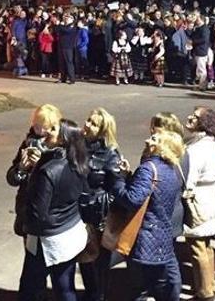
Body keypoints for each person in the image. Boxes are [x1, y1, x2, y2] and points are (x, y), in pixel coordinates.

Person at [110, 128, 186, 301]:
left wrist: (118, 182)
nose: (147, 141)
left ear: (162, 147)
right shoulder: (170, 169)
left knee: (139, 288)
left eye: (154, 139)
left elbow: (132, 199)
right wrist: (130, 176)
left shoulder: (148, 168)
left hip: (144, 238)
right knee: (161, 285)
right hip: (162, 236)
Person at [18, 120, 89, 301]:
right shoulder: (78, 161)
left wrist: (24, 223)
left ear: (63, 139)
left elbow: (37, 213)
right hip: (71, 233)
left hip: (48, 240)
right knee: (65, 286)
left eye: (54, 129)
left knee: (29, 287)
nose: (47, 132)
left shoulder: (48, 171)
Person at [80, 108, 124, 301]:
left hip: (98, 214)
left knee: (98, 260)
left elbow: (116, 186)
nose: (87, 124)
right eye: (88, 120)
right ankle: (91, 293)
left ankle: (98, 296)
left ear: (103, 130)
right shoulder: (77, 146)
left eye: (93, 123)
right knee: (83, 257)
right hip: (78, 210)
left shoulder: (110, 152)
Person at [182, 107, 215, 301]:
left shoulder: (197, 149)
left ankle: (205, 292)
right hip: (210, 195)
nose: (190, 117)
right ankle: (209, 286)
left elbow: (189, 178)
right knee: (206, 245)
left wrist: (185, 197)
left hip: (199, 197)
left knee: (198, 245)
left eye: (196, 117)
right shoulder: (211, 141)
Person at [7, 104, 63, 237]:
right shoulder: (28, 143)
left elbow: (63, 181)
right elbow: (12, 178)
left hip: (51, 214)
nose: (38, 129)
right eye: (36, 124)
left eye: (43, 125)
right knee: (30, 251)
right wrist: (21, 168)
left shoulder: (60, 149)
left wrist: (41, 165)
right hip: (27, 208)